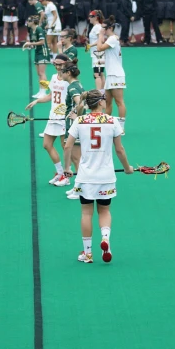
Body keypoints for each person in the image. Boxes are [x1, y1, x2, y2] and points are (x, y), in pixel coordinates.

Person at [63, 89, 134, 263]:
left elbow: (67, 146)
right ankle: (105, 239)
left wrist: (67, 168)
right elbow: (119, 150)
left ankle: (87, 253)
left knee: (86, 213)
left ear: (87, 104)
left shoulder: (80, 121)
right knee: (104, 210)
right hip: (106, 177)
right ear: (101, 102)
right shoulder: (112, 121)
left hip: (86, 176)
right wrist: (127, 168)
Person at [24, 54, 72, 188]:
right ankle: (60, 172)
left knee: (65, 148)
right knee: (46, 144)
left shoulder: (69, 81)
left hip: (64, 118)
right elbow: (51, 96)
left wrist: (69, 114)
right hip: (53, 116)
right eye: (55, 64)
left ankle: (67, 177)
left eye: (60, 64)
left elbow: (75, 99)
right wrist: (37, 101)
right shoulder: (53, 77)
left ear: (66, 64)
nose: (57, 67)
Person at [58, 58, 84, 198]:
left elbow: (80, 103)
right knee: (77, 159)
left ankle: (81, 190)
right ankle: (77, 187)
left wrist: (77, 118)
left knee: (76, 159)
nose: (60, 73)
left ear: (68, 73)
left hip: (75, 126)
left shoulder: (72, 87)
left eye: (62, 71)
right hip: (77, 125)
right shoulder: (78, 84)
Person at [96, 17, 127, 134]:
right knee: (107, 102)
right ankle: (105, 125)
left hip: (116, 75)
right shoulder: (111, 39)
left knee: (119, 102)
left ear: (109, 28)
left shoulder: (113, 39)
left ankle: (121, 127)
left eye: (103, 28)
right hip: (110, 75)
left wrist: (100, 36)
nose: (101, 30)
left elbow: (99, 48)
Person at [24, 15, 51, 98]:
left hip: (43, 52)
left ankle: (44, 92)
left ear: (32, 22)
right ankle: (40, 91)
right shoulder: (31, 30)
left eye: (28, 21)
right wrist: (29, 45)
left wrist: (30, 43)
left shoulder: (39, 29)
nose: (27, 23)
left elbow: (42, 42)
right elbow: (34, 42)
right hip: (37, 51)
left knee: (42, 73)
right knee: (39, 73)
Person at [87, 10, 106, 90]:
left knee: (97, 74)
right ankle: (103, 91)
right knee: (100, 73)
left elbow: (101, 40)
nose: (89, 18)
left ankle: (98, 93)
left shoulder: (97, 27)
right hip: (97, 53)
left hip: (98, 54)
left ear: (96, 17)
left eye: (91, 16)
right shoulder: (96, 27)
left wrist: (90, 45)